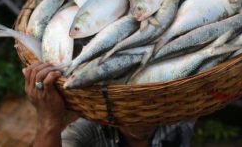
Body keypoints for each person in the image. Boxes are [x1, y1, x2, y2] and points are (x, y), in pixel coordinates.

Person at [23, 63, 195, 147]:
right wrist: (48, 119)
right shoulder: (86, 132)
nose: (140, 122)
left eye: (149, 106)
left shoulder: (178, 114)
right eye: (129, 110)